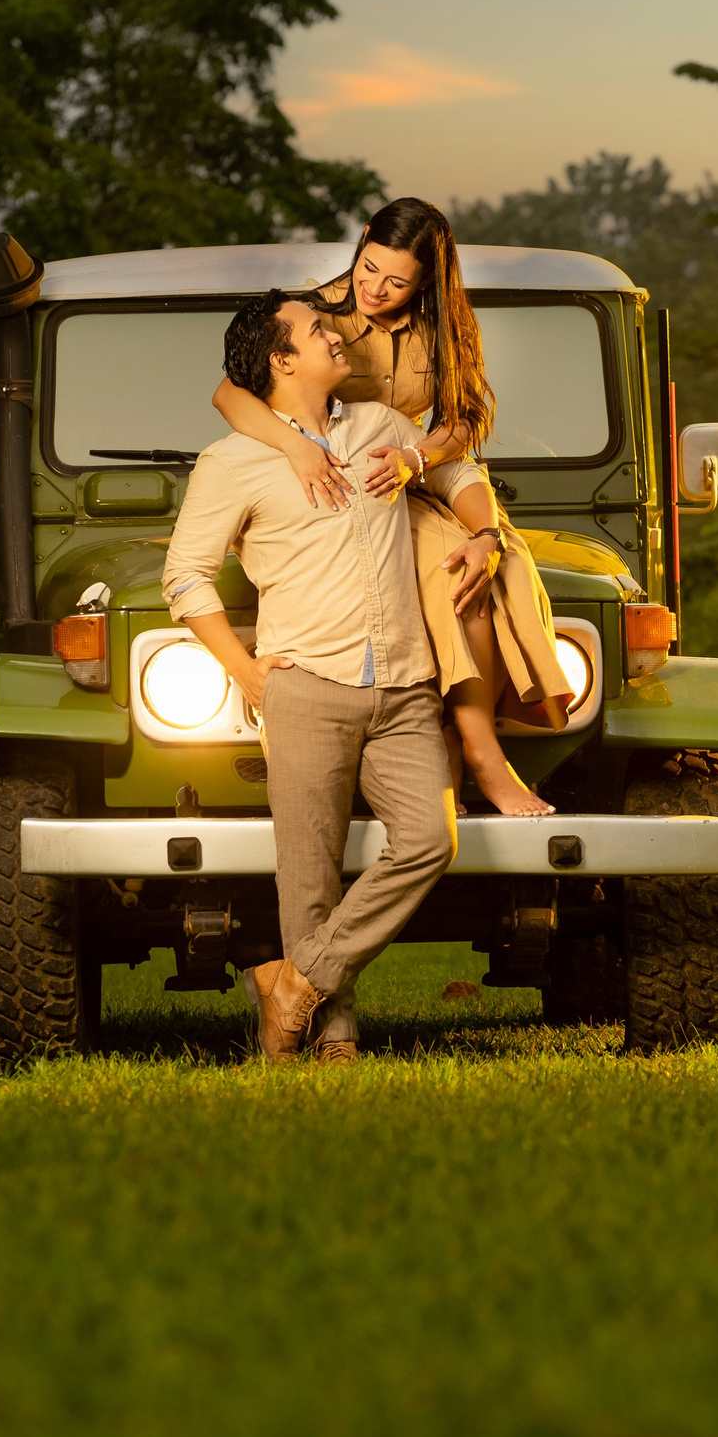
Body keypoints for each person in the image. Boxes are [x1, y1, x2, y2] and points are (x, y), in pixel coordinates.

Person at [162, 290, 499, 1063]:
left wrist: (483, 535)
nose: (335, 335)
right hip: (305, 684)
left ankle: (292, 981)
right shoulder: (233, 461)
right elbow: (184, 577)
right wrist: (245, 671)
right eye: (317, 331)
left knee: (428, 839)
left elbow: (456, 472)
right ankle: (332, 1039)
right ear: (282, 360)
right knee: (306, 876)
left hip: (405, 686)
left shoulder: (381, 426)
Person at [209, 197, 572, 818]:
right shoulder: (314, 316)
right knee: (456, 569)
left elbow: (464, 419)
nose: (374, 288)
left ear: (428, 281)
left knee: (501, 560)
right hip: (345, 477)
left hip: (415, 466)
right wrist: (295, 446)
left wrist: (420, 460)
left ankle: (470, 743)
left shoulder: (447, 326)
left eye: (397, 281)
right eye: (368, 267)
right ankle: (479, 753)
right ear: (364, 240)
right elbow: (228, 394)